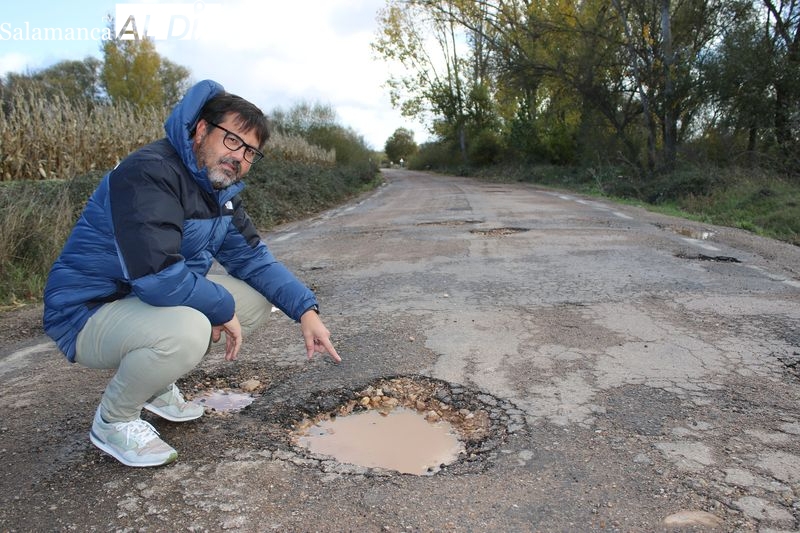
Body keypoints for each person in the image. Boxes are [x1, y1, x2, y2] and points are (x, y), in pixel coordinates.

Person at [43, 79, 340, 468]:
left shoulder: (220, 193)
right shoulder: (149, 173)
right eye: (233, 140)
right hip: (87, 310)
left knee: (254, 300)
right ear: (201, 130)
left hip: (138, 302)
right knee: (191, 327)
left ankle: (155, 385)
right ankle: (114, 420)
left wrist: (306, 311)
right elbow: (157, 276)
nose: (240, 157)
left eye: (251, 151)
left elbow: (254, 260)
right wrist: (218, 306)